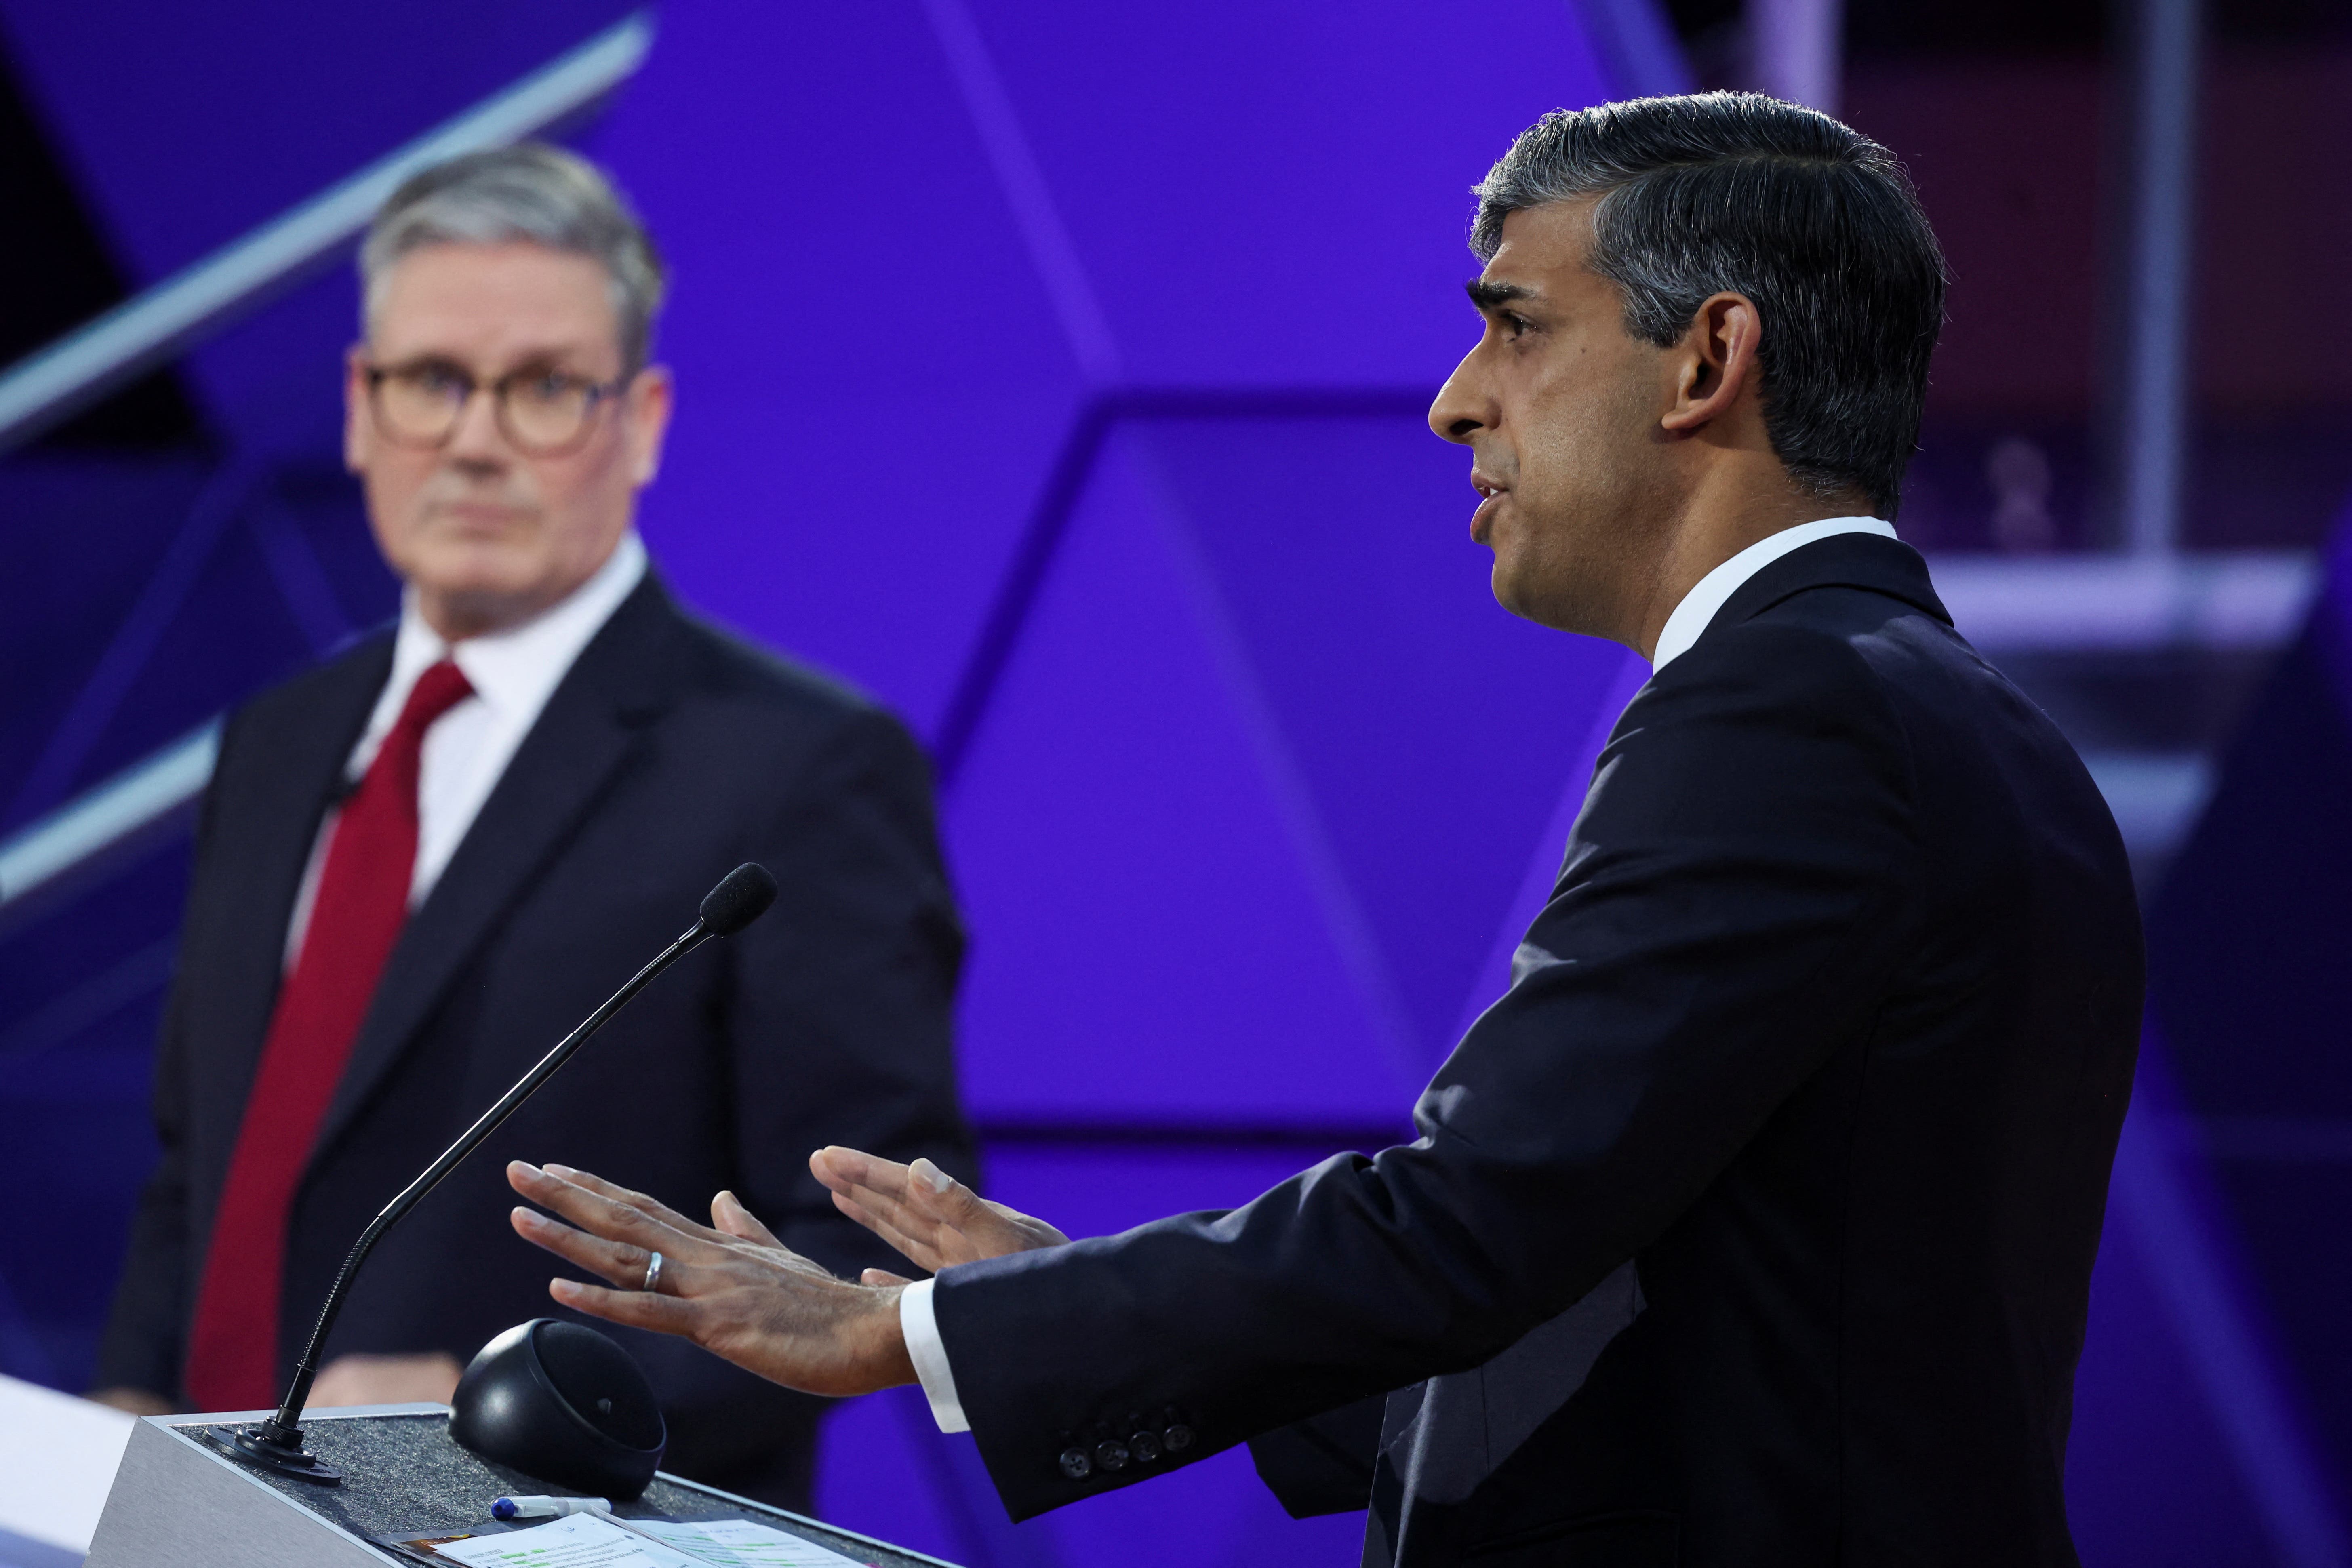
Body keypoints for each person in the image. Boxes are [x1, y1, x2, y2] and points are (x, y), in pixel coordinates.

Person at [500, 94, 2143, 1564]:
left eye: (1513, 325)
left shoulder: (1785, 714)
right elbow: (1682, 1323)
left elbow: (1469, 1224)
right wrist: (1045, 1295)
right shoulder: (1961, 723)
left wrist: (920, 1333)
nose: (1453, 401)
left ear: (1706, 362)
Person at [90, 143, 975, 1512]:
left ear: (644, 419)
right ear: (360, 408)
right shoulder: (275, 742)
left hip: (538, 1529)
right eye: (434, 381)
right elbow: (199, 1172)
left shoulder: (803, 768)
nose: (479, 437)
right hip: (196, 1521)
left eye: (546, 387)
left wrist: (479, 1408)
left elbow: (868, 1259)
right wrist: (128, 1418)